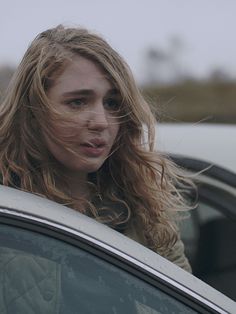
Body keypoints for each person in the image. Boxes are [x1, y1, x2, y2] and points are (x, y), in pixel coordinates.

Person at [0, 25, 193, 274]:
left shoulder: (146, 210)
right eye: (78, 102)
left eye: (112, 103)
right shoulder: (8, 209)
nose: (101, 121)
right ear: (34, 111)